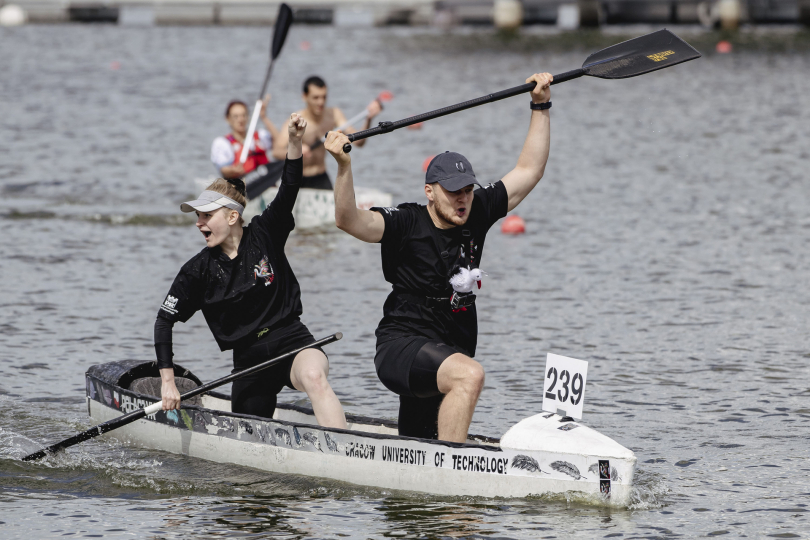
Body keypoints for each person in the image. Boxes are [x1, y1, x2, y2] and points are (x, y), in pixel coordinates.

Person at [325, 73, 553, 443]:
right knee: (470, 376)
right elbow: (347, 220)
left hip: (450, 346)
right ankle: (451, 471)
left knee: (419, 439)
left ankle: (424, 467)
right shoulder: (405, 221)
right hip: (401, 345)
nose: (462, 199)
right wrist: (344, 166)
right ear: (430, 192)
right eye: (452, 191)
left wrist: (540, 105)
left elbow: (530, 170)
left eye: (467, 190)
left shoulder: (477, 210)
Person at [156, 112, 347, 429]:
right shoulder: (197, 270)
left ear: (232, 217)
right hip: (249, 361)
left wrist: (295, 140)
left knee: (314, 376)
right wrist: (168, 383)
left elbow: (290, 185)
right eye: (197, 216)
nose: (199, 223)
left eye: (206, 215)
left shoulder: (265, 232)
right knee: (248, 430)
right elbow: (164, 321)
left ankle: (343, 450)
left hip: (292, 341)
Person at [272, 76, 382, 190]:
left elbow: (359, 142)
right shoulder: (296, 120)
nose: (321, 102)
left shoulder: (333, 114)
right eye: (316, 97)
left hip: (321, 177)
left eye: (324, 97)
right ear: (304, 97)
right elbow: (276, 152)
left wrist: (368, 119)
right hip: (298, 179)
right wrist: (296, 151)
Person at [211, 95, 280, 180]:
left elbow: (281, 144)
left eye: (243, 115)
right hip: (242, 182)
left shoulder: (260, 136)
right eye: (236, 116)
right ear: (228, 119)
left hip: (266, 180)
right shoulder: (222, 143)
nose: (241, 120)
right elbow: (223, 169)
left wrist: (264, 117)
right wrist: (232, 170)